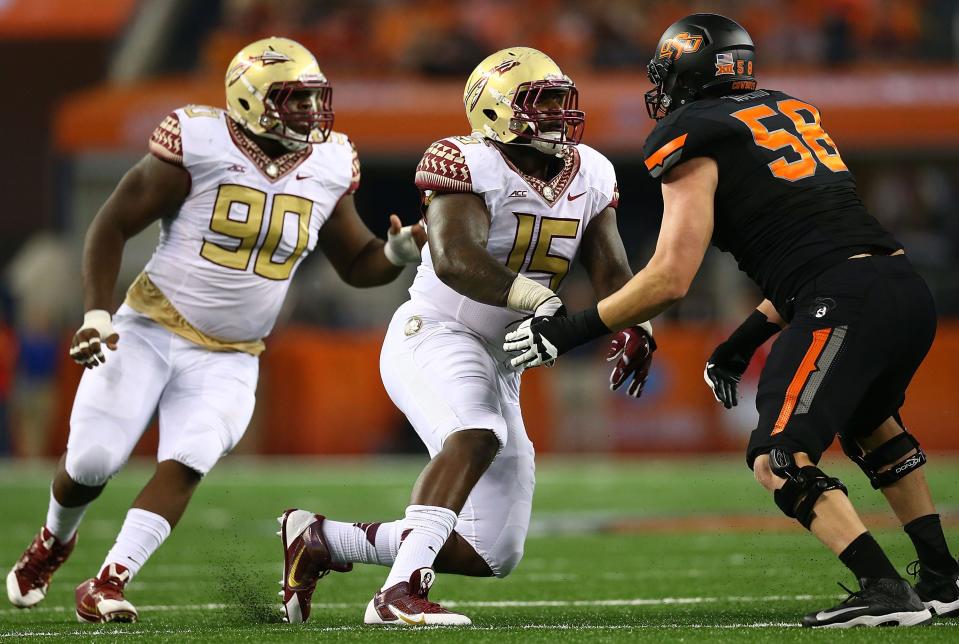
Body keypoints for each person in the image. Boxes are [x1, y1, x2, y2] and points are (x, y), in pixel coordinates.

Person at [503, 13, 958, 629]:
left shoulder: (693, 132)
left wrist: (567, 330)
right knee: (872, 425)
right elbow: (820, 252)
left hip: (844, 296)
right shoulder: (791, 110)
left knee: (776, 456)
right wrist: (746, 338)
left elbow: (670, 276)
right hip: (901, 288)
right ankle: (942, 578)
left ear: (685, 74)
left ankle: (883, 589)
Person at [5, 37, 425, 623]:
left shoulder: (329, 163)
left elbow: (357, 265)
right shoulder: (200, 142)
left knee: (190, 456)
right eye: (293, 100)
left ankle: (108, 580)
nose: (310, 113)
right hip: (149, 329)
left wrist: (397, 253)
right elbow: (111, 225)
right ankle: (54, 540)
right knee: (91, 464)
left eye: (313, 99)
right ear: (249, 101)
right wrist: (97, 313)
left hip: (232, 354)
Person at [276, 46, 655, 627]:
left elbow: (609, 270)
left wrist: (637, 321)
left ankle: (324, 539)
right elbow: (455, 258)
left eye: (561, 101)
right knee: (475, 432)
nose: (560, 114)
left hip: (503, 357)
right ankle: (397, 594)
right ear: (498, 111)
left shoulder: (593, 171)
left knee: (493, 550)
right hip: (436, 330)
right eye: (543, 103)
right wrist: (539, 299)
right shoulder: (465, 160)